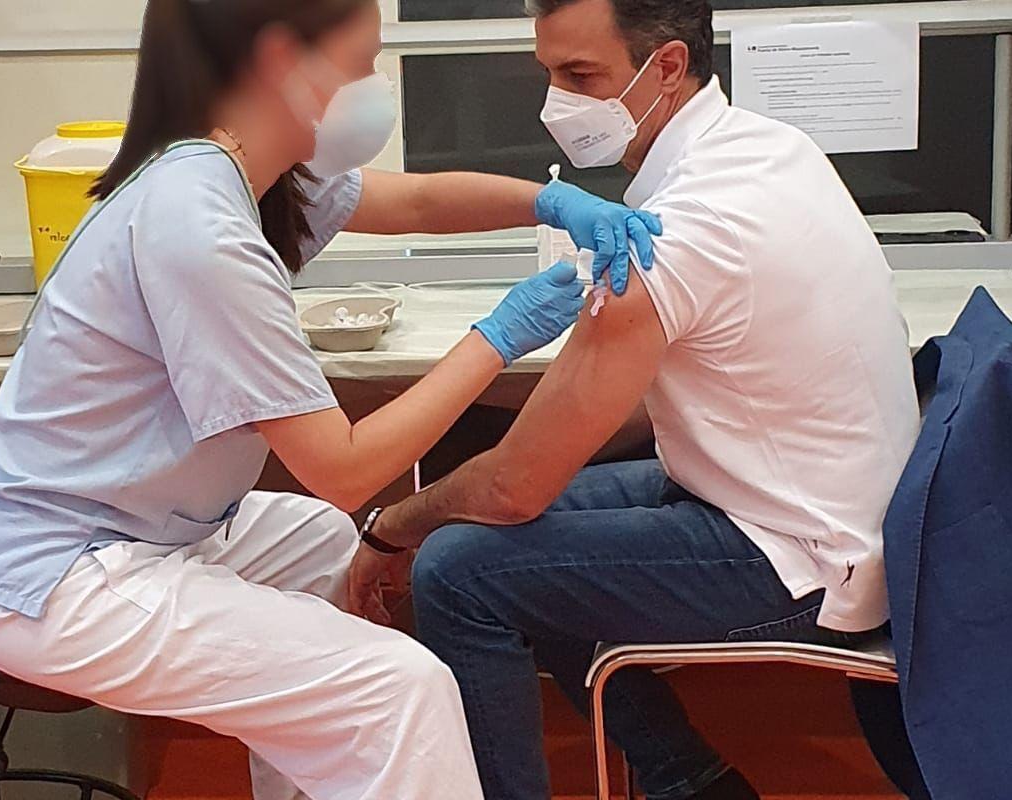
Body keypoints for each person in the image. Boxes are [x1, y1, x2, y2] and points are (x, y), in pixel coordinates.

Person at [0, 2, 659, 800]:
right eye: (360, 66)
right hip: (51, 572)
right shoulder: (199, 226)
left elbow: (416, 202)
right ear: (283, 61)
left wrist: (551, 202)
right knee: (399, 687)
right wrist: (498, 337)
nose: (375, 90)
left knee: (322, 544)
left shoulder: (242, 174)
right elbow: (344, 470)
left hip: (130, 522)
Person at [347, 1, 921, 799]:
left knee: (458, 570)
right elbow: (627, 415)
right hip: (822, 505)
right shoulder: (770, 150)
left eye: (581, 75)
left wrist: (390, 528)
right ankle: (691, 783)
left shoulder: (678, 231)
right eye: (550, 73)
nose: (557, 103)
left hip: (802, 555)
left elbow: (514, 489)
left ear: (669, 67)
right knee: (508, 536)